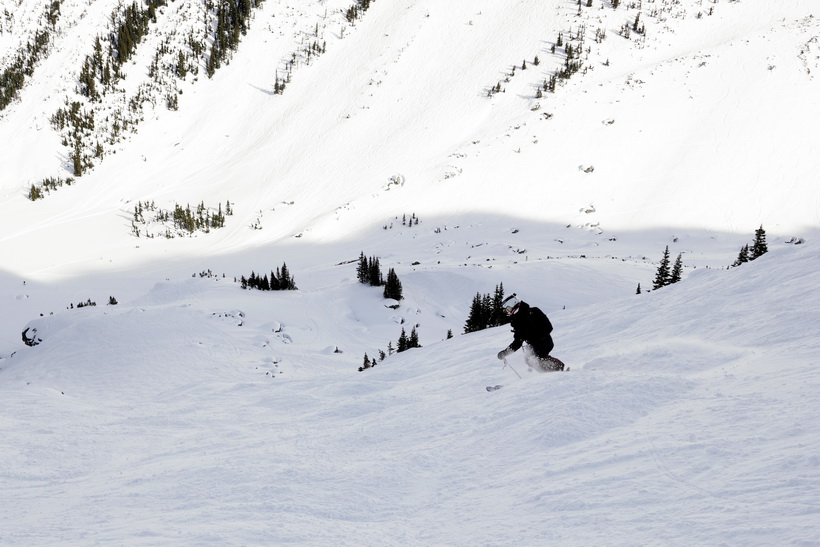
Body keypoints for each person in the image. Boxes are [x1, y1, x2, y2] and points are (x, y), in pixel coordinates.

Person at [496, 294, 563, 372]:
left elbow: (548, 327)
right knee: (530, 360)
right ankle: (552, 373)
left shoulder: (528, 315)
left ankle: (558, 370)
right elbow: (518, 342)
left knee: (535, 360)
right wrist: (505, 352)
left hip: (543, 343)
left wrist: (535, 338)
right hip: (539, 344)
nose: (508, 311)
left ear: (513, 304)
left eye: (508, 308)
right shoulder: (522, 318)